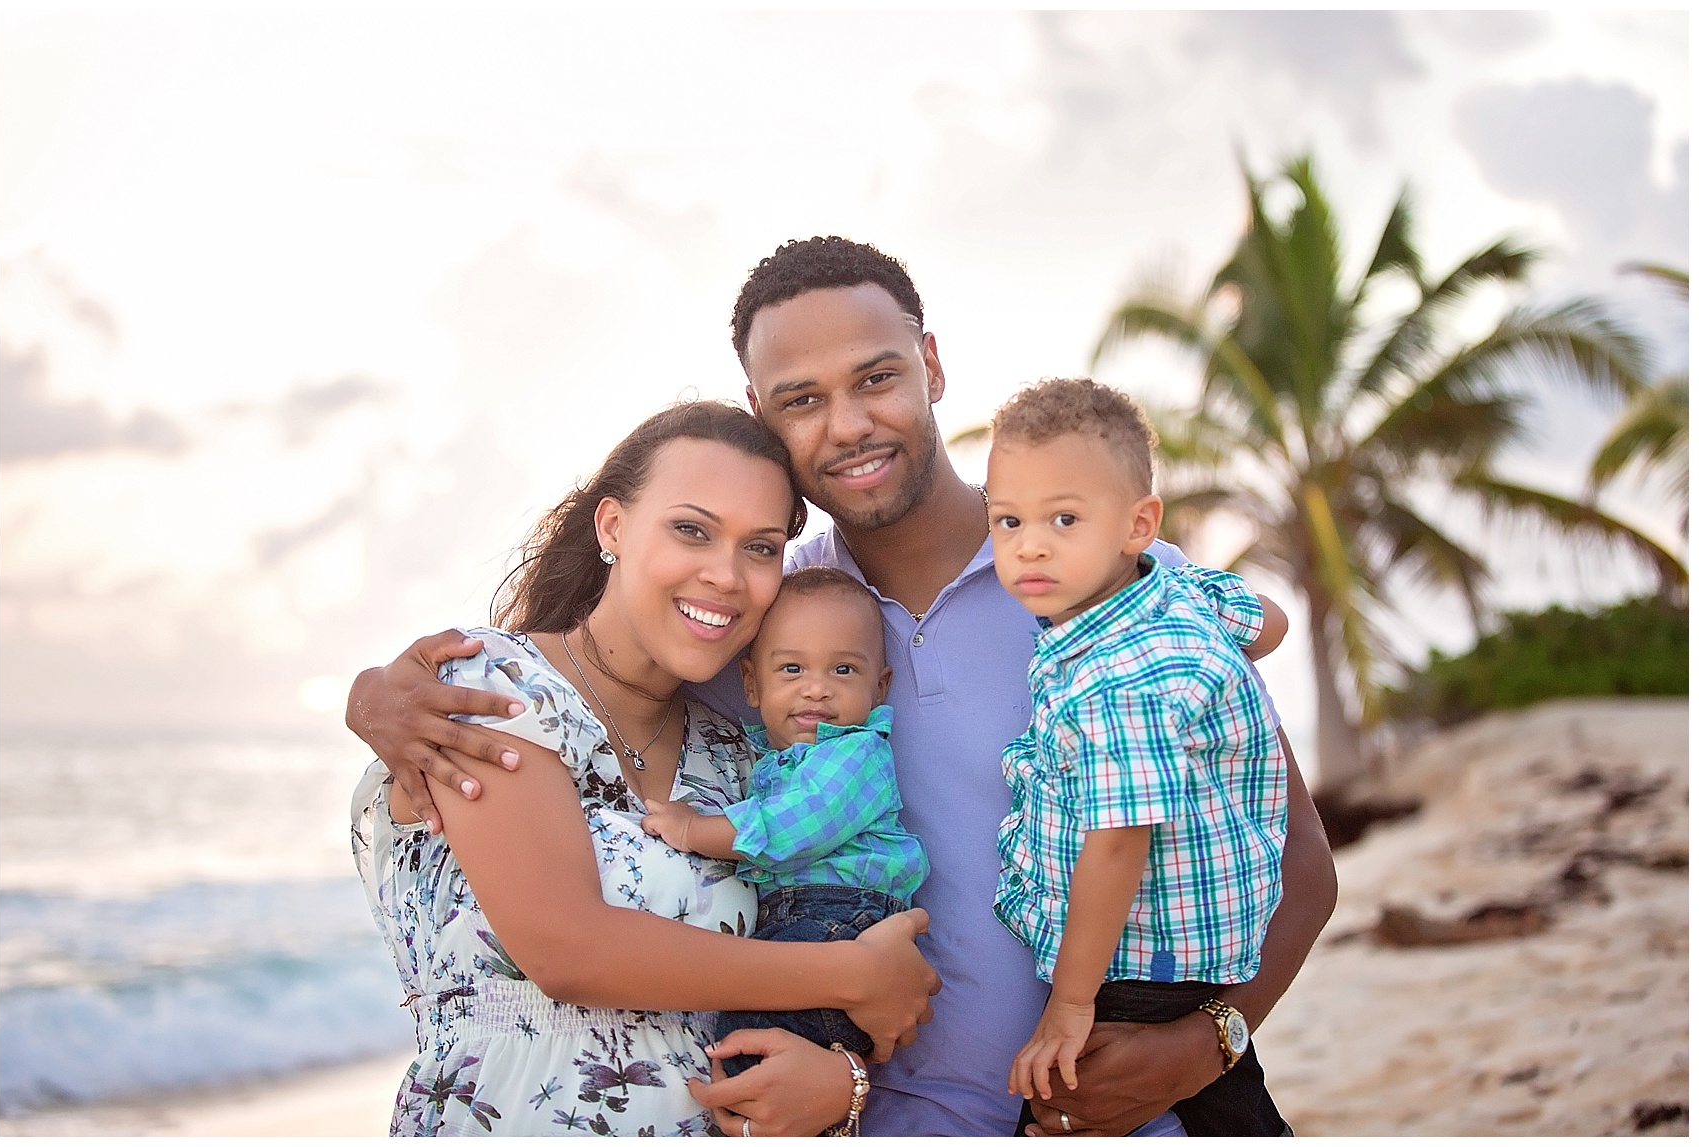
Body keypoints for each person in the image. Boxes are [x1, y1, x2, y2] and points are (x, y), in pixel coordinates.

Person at [348, 237, 1338, 1136]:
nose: (849, 423)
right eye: (802, 398)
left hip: (1127, 1117)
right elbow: (592, 706)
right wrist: (383, 698)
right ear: (764, 420)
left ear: (933, 368)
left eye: (877, 378)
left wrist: (1205, 1041)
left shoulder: (1107, 586)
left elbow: (1295, 857)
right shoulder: (767, 621)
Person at [350, 401, 939, 1136]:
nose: (725, 574)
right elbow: (565, 947)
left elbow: (764, 993)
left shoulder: (744, 755)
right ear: (613, 527)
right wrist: (850, 973)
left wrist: (841, 1081)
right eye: (691, 529)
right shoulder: (494, 688)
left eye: (759, 547)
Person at [988, 378, 1290, 1135]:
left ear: (1137, 525)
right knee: (1227, 1104)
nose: (1029, 543)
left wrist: (1069, 1000)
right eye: (1007, 520)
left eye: (1063, 518)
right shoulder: (1176, 587)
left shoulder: (1121, 678)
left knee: (1067, 1102)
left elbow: (1120, 838)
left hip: (1138, 957)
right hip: (1199, 937)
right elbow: (1272, 623)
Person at [641, 565, 929, 1098]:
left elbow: (797, 826)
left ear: (879, 685)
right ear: (751, 683)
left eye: (843, 671)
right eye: (791, 669)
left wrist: (693, 830)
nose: (816, 689)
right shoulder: (768, 758)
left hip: (843, 920)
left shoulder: (857, 753)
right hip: (804, 923)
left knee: (747, 1050)